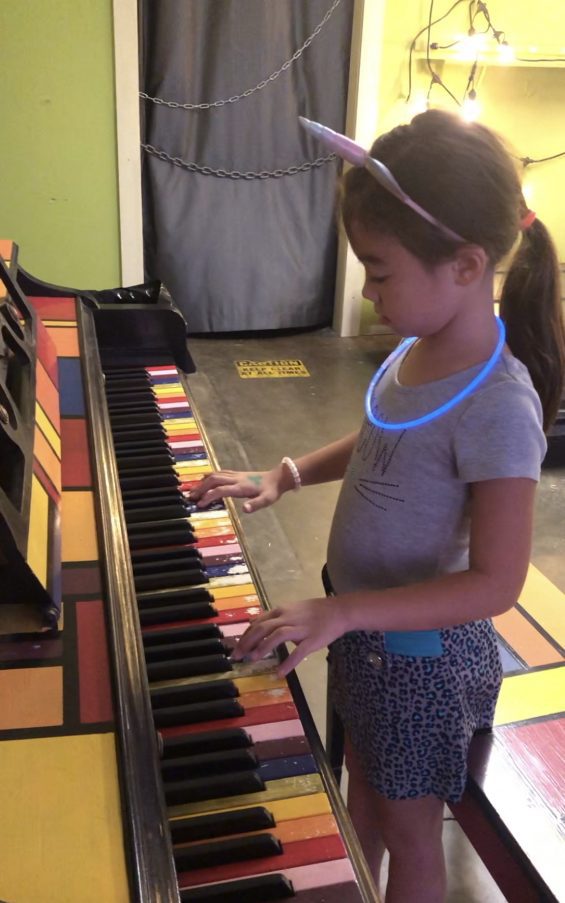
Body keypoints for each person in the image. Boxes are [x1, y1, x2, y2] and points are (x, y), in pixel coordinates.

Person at [189, 109, 565, 903]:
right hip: (365, 637)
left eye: (381, 271)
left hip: (420, 664)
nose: (369, 291)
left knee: (408, 833)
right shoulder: (415, 349)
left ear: (465, 266)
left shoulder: (498, 404)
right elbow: (380, 437)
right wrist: (283, 473)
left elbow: (496, 583)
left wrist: (345, 612)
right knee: (359, 789)